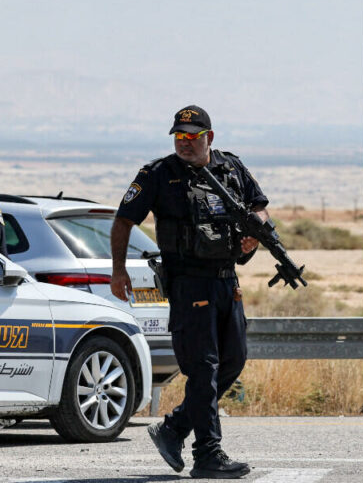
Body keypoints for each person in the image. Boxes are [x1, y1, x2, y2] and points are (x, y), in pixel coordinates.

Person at [111, 105, 269, 480]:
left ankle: (174, 428)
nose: (184, 143)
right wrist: (118, 270)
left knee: (233, 360)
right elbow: (123, 221)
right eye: (179, 136)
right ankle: (207, 453)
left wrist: (254, 235)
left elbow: (259, 208)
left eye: (192, 137)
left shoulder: (231, 168)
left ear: (208, 138)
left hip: (226, 280)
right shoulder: (158, 174)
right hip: (188, 282)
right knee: (204, 367)